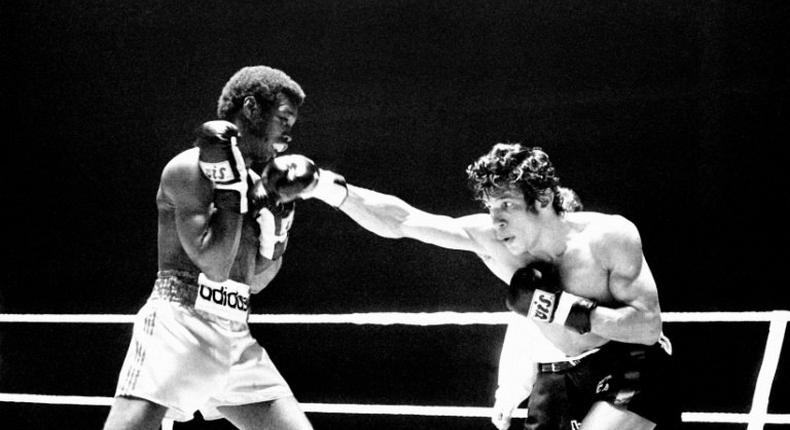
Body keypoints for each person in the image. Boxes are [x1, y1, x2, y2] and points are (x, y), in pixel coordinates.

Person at [281, 144, 680, 429]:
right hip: (564, 375)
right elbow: (404, 221)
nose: (496, 220)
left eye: (507, 204)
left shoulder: (608, 236)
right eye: (491, 207)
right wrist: (328, 190)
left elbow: (647, 326)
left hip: (631, 362)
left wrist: (563, 310)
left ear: (542, 198)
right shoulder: (491, 240)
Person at [103, 66, 342, 430]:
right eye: (282, 119)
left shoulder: (260, 182)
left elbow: (257, 282)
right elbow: (214, 264)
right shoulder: (188, 168)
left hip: (235, 333)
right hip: (179, 325)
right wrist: (235, 196)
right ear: (251, 108)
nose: (288, 134)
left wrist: (278, 225)